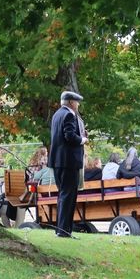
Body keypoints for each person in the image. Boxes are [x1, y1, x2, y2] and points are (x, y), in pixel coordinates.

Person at [49, 91, 88, 238]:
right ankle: (64, 231)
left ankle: (60, 229)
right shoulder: (69, 115)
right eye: (77, 102)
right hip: (69, 162)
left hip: (57, 162)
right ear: (71, 102)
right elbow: (70, 136)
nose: (78, 105)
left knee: (62, 196)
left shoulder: (56, 115)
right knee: (69, 197)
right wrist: (83, 139)